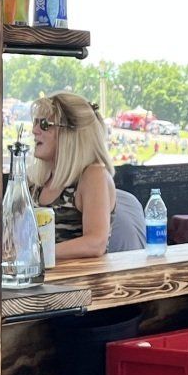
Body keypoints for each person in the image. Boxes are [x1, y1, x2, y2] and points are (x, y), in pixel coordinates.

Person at [27, 92, 118, 261]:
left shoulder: (93, 174)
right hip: (40, 282)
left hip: (79, 285)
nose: (34, 130)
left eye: (45, 124)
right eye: (35, 123)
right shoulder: (38, 180)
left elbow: (96, 243)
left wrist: (36, 254)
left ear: (70, 133)